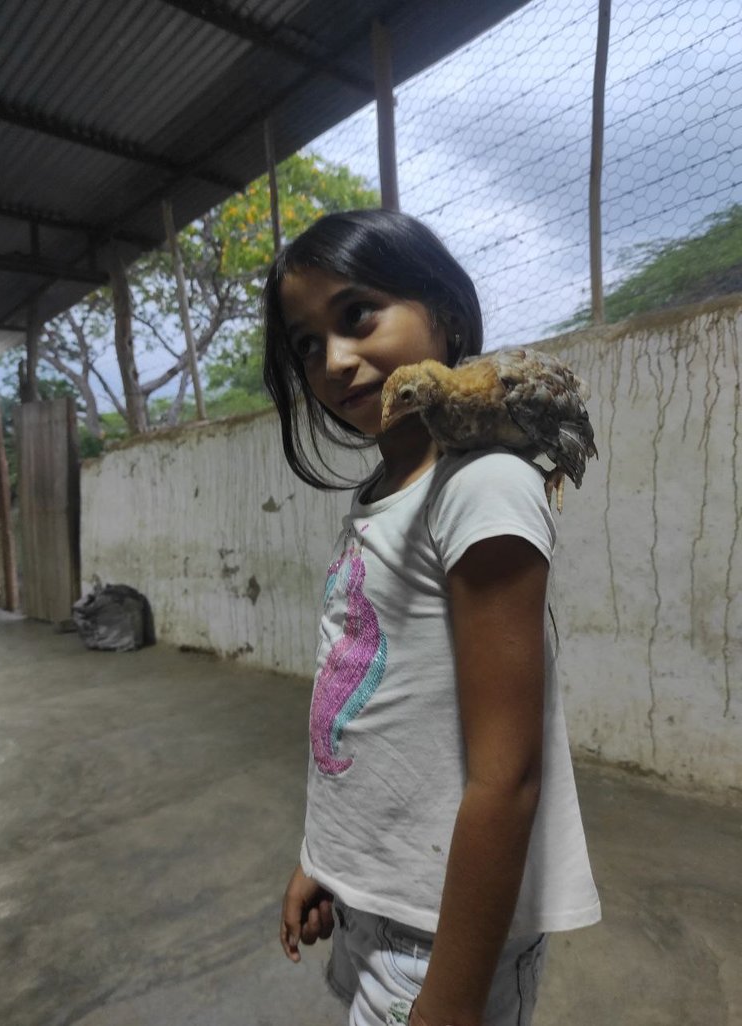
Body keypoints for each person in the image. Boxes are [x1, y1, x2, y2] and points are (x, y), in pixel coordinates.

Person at [262, 209, 600, 1026]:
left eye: (357, 315)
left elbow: (506, 776)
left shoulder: (480, 485)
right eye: (307, 344)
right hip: (379, 902)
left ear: (444, 316)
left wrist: (450, 1000)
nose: (336, 359)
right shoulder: (380, 493)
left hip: (444, 940)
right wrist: (326, 859)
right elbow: (372, 717)